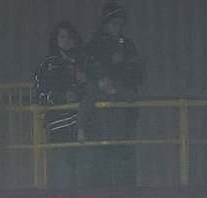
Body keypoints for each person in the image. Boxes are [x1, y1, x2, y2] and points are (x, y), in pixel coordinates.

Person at [83, 3, 145, 186]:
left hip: (124, 108)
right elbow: (87, 66)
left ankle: (126, 191)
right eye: (113, 24)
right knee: (102, 150)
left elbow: (138, 72)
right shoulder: (93, 46)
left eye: (119, 24)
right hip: (101, 111)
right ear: (105, 24)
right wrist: (102, 77)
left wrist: (119, 81)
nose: (117, 28)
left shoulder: (128, 46)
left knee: (124, 149)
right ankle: (102, 192)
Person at [33, 21, 91, 188]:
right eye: (62, 36)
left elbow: (96, 87)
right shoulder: (48, 65)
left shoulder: (85, 62)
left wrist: (86, 81)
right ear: (55, 40)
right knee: (63, 172)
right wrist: (62, 97)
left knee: (86, 170)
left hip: (84, 124)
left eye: (70, 36)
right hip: (60, 126)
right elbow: (40, 95)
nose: (67, 40)